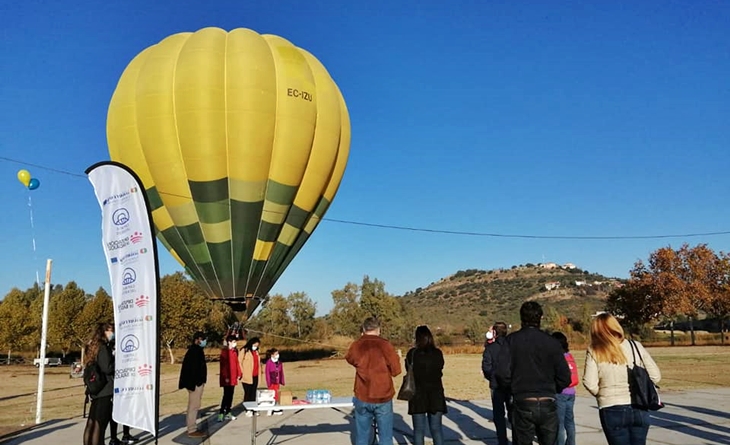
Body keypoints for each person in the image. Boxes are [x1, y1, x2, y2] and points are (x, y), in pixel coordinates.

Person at [495, 301, 571, 445]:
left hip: (522, 401)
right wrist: (551, 389)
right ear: (540, 318)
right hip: (547, 401)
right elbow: (564, 377)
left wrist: (513, 388)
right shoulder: (552, 343)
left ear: (521, 318)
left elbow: (502, 373)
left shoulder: (511, 341)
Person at [584, 313, 661, 445]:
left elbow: (589, 383)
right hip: (639, 405)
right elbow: (655, 376)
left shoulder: (594, 350)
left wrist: (602, 394)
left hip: (611, 407)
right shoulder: (635, 346)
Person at [345, 317, 402, 445]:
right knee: (385, 437)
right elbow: (396, 371)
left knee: (362, 437)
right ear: (378, 330)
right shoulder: (385, 345)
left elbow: (349, 358)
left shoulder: (357, 345)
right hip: (383, 396)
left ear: (364, 330)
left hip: (362, 394)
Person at [406, 325, 446, 445]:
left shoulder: (412, 354)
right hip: (435, 394)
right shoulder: (437, 353)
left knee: (418, 431)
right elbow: (440, 369)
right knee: (437, 429)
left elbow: (408, 370)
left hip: (417, 394)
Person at [82, 323, 115, 445]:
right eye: (111, 331)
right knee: (100, 424)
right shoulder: (103, 348)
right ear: (104, 331)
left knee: (92, 422)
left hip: (95, 388)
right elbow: (107, 368)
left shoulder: (92, 346)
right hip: (105, 388)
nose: (112, 334)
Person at [482, 321, 511, 445]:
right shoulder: (513, 345)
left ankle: (502, 441)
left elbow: (486, 367)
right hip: (511, 384)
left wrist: (492, 377)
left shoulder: (491, 348)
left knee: (499, 416)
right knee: (514, 414)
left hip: (496, 386)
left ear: (494, 332)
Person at [178, 331, 208, 438]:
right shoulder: (195, 351)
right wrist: (197, 383)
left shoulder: (196, 350)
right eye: (202, 339)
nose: (204, 341)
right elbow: (192, 369)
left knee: (194, 405)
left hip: (196, 382)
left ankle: (192, 427)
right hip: (195, 383)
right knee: (194, 406)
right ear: (197, 340)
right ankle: (192, 429)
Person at [552, 331, 578, 445]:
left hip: (560, 392)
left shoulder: (557, 358)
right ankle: (571, 442)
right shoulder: (569, 355)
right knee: (570, 422)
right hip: (571, 392)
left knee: (560, 423)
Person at [218, 335, 242, 422]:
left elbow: (237, 363)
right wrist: (226, 376)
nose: (235, 344)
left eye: (236, 342)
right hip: (227, 378)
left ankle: (228, 412)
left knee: (231, 395)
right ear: (229, 342)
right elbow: (223, 366)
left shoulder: (235, 351)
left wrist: (239, 373)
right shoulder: (224, 352)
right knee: (226, 395)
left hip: (233, 377)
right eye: (234, 342)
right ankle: (221, 413)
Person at [239, 337, 261, 417]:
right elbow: (239, 362)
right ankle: (247, 409)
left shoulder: (257, 352)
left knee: (253, 393)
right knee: (247, 393)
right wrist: (241, 373)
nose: (256, 346)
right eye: (255, 344)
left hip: (255, 375)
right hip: (246, 376)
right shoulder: (244, 350)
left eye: (257, 345)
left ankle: (253, 408)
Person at [265, 348, 285, 416]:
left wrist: (282, 380)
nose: (277, 355)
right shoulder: (269, 362)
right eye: (276, 354)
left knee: (276, 394)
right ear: (272, 355)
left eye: (278, 354)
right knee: (271, 394)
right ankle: (270, 409)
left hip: (277, 381)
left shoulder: (279, 362)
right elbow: (267, 373)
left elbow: (281, 372)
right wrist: (268, 382)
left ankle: (276, 408)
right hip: (272, 381)